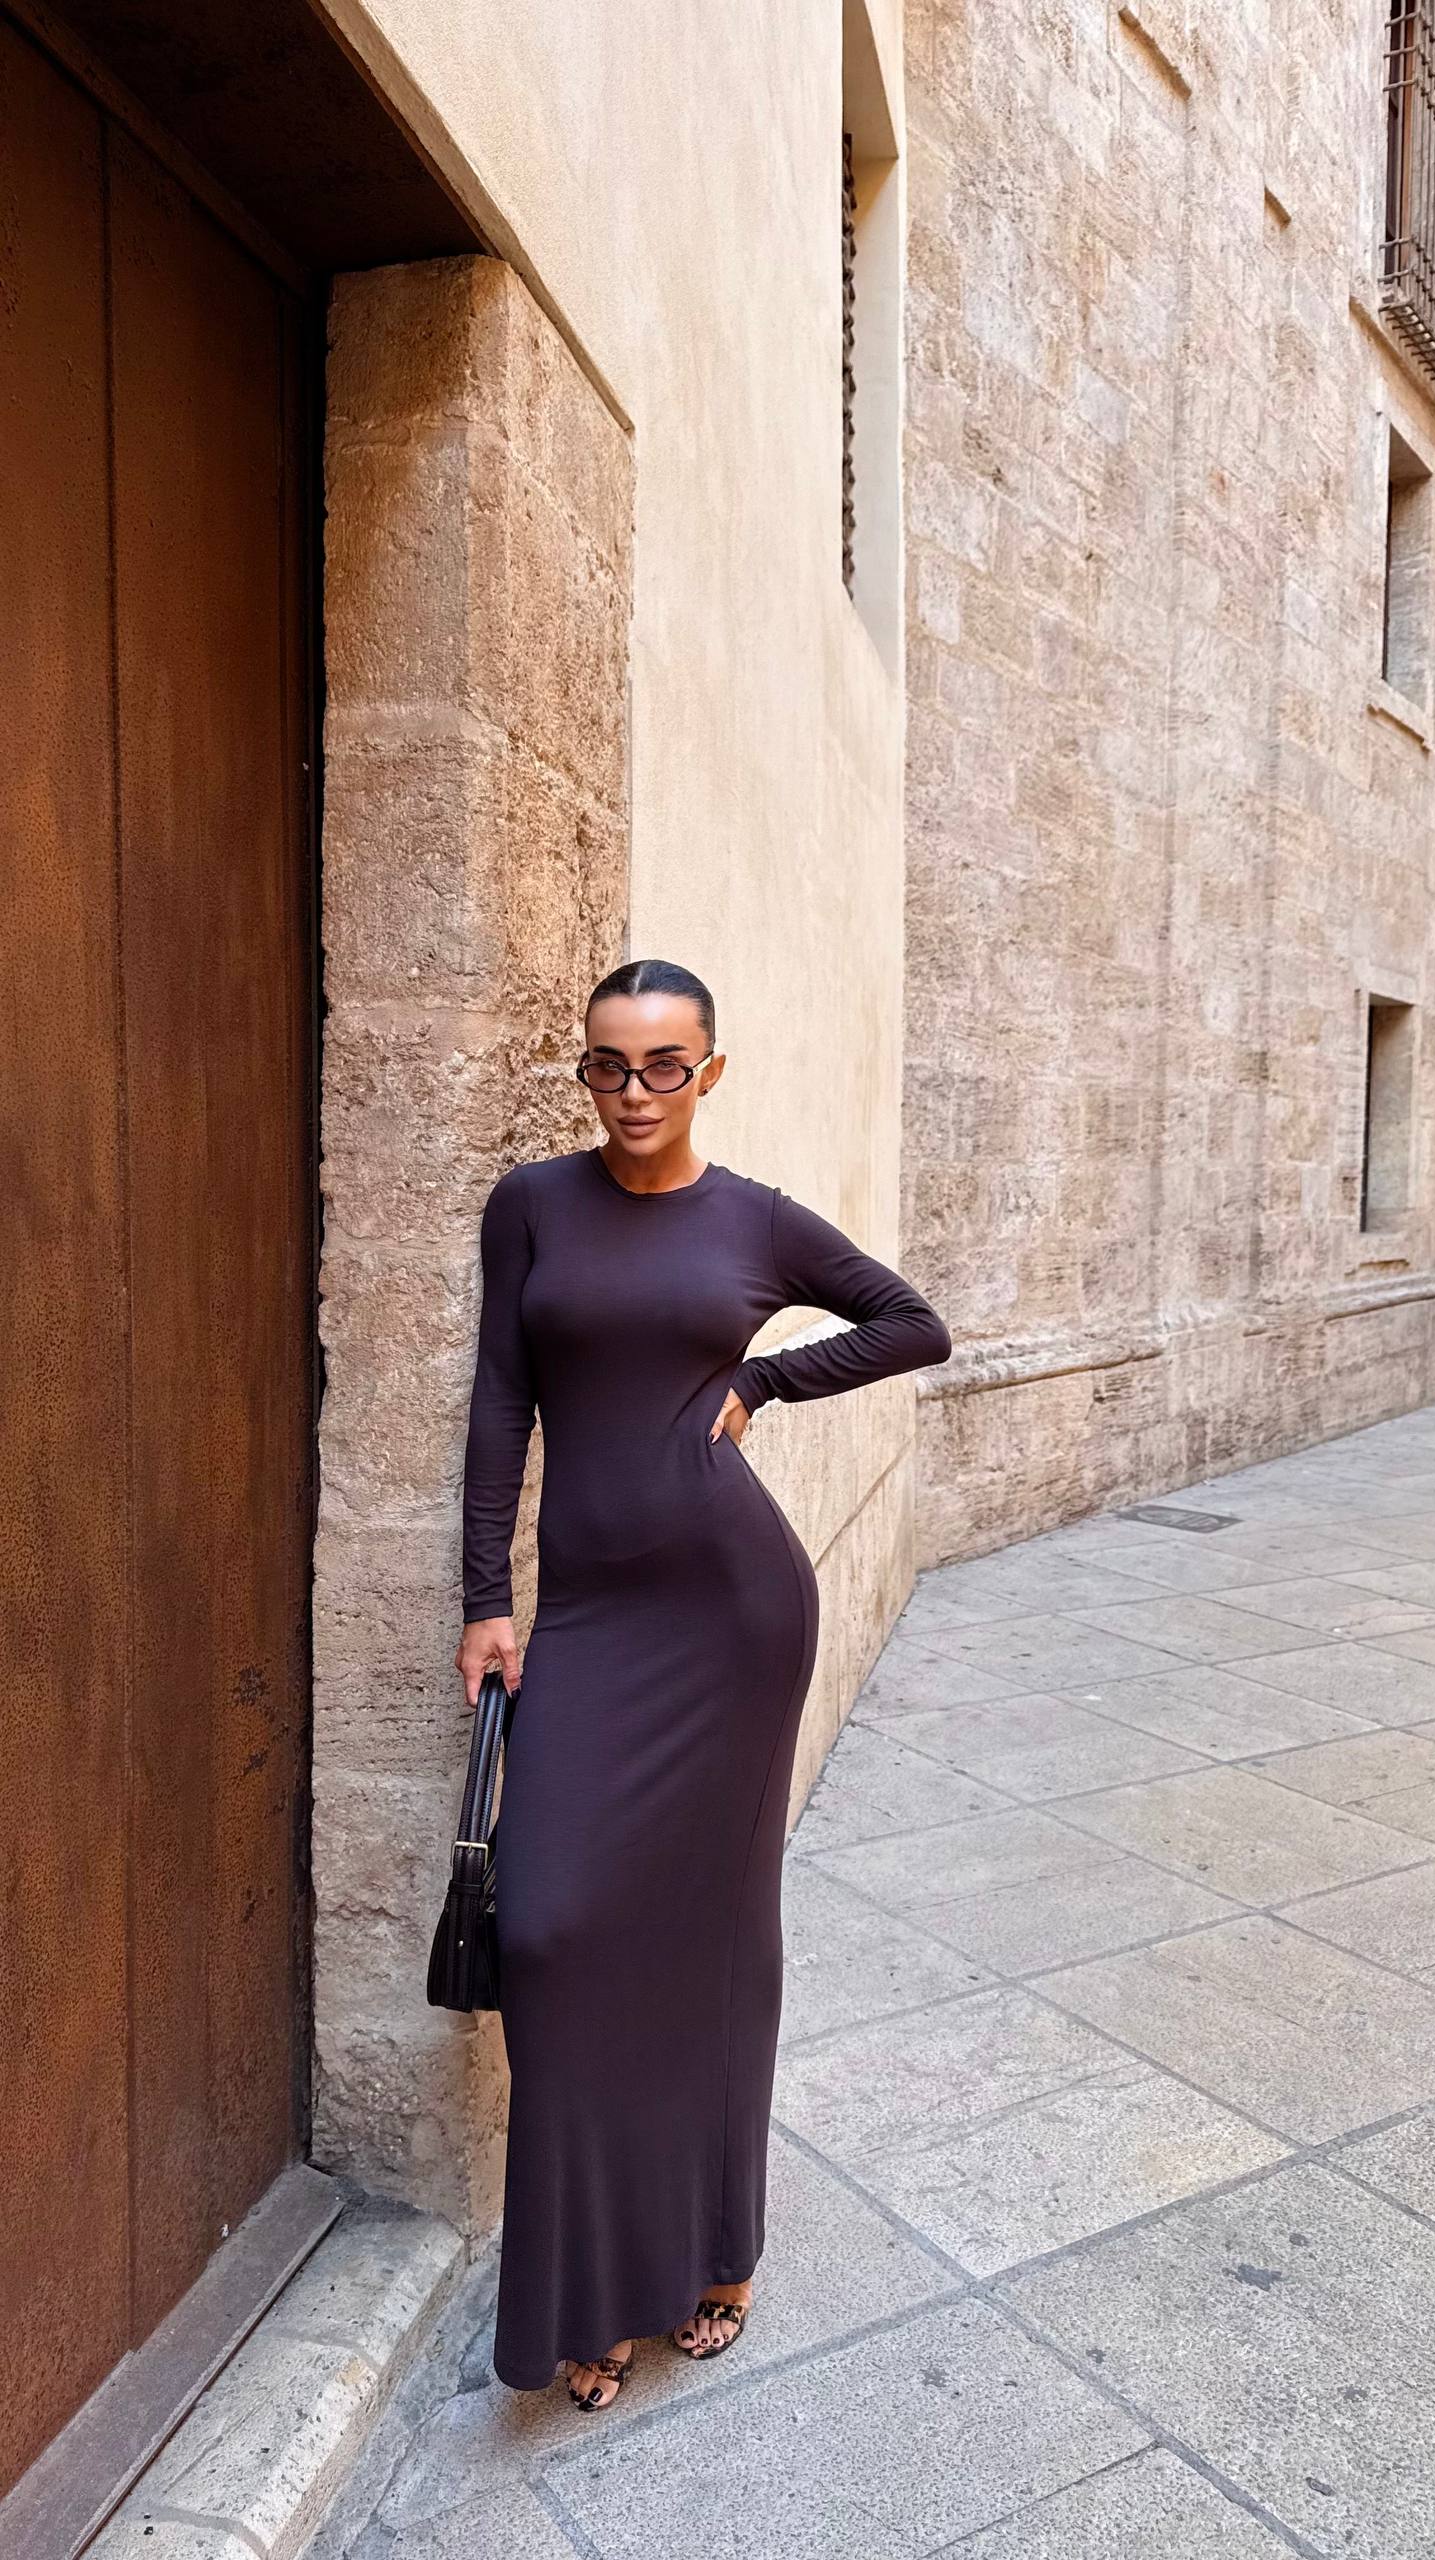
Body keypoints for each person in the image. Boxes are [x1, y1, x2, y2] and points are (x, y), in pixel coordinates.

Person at [454, 957, 951, 2410]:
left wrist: (765, 1382)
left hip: (732, 1616)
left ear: (709, 1072)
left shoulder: (755, 1219)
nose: (634, 1091)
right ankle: (598, 2278)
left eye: (664, 1065)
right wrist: (486, 1599)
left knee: (718, 1936)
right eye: (608, 1065)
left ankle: (716, 2253)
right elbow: (500, 1399)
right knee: (553, 1929)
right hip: (588, 1616)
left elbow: (912, 1322)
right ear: (586, 1070)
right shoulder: (531, 1206)